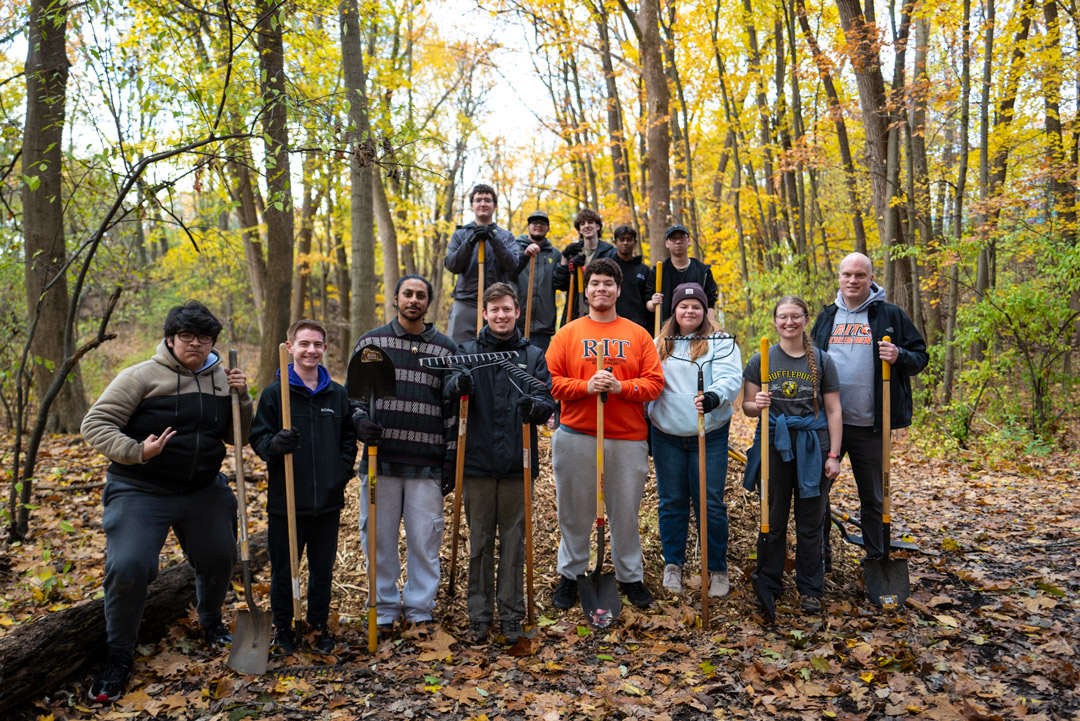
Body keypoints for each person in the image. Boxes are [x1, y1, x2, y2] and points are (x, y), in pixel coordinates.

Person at [81, 301, 251, 703]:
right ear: (170, 338)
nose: (196, 344)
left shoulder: (222, 379)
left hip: (203, 489)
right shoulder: (139, 376)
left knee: (220, 556)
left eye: (204, 337)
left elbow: (238, 436)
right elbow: (94, 424)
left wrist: (242, 398)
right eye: (187, 337)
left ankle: (210, 621)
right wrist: (138, 450)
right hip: (141, 488)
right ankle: (119, 656)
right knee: (129, 567)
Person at [546, 257, 665, 611]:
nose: (602, 289)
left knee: (624, 510)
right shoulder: (568, 333)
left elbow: (655, 383)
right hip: (577, 434)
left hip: (626, 437)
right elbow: (550, 382)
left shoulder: (637, 334)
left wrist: (620, 386)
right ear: (587, 290)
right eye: (595, 283)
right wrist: (585, 385)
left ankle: (630, 576)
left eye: (608, 284)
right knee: (574, 509)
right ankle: (571, 574)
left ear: (618, 289)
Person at [447, 283, 555, 645]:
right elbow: (449, 389)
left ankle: (511, 615)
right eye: (494, 310)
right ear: (484, 314)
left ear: (517, 312)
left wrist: (536, 408)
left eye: (507, 309)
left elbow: (546, 398)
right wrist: (457, 385)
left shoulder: (532, 356)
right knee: (479, 542)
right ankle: (479, 615)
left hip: (516, 464)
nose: (501, 315)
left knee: (513, 543)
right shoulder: (467, 352)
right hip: (476, 463)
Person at [351, 275, 459, 635]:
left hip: (426, 463)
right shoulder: (371, 343)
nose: (414, 300)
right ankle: (382, 610)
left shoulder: (445, 349)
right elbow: (353, 399)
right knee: (378, 539)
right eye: (407, 294)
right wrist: (360, 422)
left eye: (421, 295)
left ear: (429, 302)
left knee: (424, 541)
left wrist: (449, 460)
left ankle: (419, 610)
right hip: (380, 461)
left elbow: (452, 411)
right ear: (396, 298)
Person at [810, 252, 928, 569]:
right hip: (827, 425)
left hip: (871, 426)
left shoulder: (890, 315)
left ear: (871, 278)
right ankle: (820, 557)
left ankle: (876, 560)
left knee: (874, 499)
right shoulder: (826, 316)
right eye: (847, 274)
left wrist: (898, 354)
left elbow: (920, 357)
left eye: (860, 275)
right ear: (839, 277)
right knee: (817, 493)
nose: (853, 280)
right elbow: (809, 361)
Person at [249, 319, 358, 655]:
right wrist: (274, 444)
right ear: (289, 348)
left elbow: (348, 439)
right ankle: (284, 627)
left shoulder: (337, 394)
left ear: (324, 349)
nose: (311, 350)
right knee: (284, 569)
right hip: (287, 501)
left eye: (317, 345)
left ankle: (317, 625)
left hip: (326, 501)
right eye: (304, 344)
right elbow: (258, 438)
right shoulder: (274, 394)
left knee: (322, 570)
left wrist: (340, 472)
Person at [742, 296, 842, 616]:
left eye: (795, 317)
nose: (789, 322)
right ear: (775, 321)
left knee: (811, 520)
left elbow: (834, 410)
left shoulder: (823, 361)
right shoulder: (762, 359)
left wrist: (835, 455)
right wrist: (756, 403)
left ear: (805, 319)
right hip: (774, 444)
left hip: (814, 445)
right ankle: (769, 580)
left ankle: (810, 587)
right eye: (783, 317)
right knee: (772, 517)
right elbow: (746, 408)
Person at [648, 283, 742, 598]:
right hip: (667, 435)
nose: (690, 311)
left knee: (710, 503)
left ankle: (716, 568)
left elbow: (730, 378)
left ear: (704, 311)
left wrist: (715, 396)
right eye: (684, 306)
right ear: (674, 310)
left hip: (709, 433)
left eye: (696, 306)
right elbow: (647, 379)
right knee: (672, 503)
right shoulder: (659, 342)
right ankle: (673, 565)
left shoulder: (721, 341)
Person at [444, 184, 521, 343]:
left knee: (496, 352)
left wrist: (493, 239)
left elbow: (513, 265)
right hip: (466, 302)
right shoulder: (460, 235)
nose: (483, 204)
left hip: (497, 304)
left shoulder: (506, 236)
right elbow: (452, 265)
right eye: (478, 200)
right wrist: (470, 241)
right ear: (472, 205)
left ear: (494, 206)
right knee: (458, 350)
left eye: (487, 200)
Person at [645, 224, 719, 328]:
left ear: (689, 241)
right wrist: (653, 303)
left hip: (698, 332)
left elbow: (710, 303)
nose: (678, 241)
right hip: (667, 331)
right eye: (673, 238)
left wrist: (712, 331)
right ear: (667, 243)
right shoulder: (658, 272)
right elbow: (648, 303)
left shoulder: (703, 272)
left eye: (682, 237)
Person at [553, 208, 617, 323]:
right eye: (582, 224)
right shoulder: (573, 251)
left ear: (598, 226)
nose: (586, 226)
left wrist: (585, 270)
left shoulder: (610, 252)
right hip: (576, 312)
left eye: (590, 222)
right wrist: (564, 257)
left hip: (602, 311)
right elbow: (560, 284)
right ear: (579, 230)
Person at [513, 210, 562, 350]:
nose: (538, 225)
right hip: (516, 322)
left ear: (548, 228)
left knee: (537, 368)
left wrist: (567, 265)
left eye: (543, 223)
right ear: (528, 227)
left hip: (543, 326)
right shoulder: (515, 248)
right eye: (534, 222)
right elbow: (509, 274)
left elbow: (560, 283)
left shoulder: (555, 254)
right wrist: (525, 255)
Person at [611, 224, 651, 331]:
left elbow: (647, 298)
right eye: (621, 239)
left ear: (635, 242)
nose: (625, 243)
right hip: (613, 323)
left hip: (638, 325)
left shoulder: (644, 270)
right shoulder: (608, 267)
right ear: (615, 242)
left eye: (629, 239)